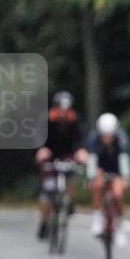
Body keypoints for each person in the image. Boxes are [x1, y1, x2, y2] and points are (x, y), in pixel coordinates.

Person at [35, 91, 89, 239]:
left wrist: (82, 151)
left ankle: (70, 202)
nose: (64, 112)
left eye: (67, 109)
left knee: (71, 178)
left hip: (68, 155)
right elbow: (39, 136)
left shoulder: (76, 120)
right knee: (47, 192)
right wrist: (42, 149)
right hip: (50, 154)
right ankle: (44, 222)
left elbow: (82, 137)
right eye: (61, 109)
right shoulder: (47, 119)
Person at [85, 112, 130, 247]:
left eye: (110, 135)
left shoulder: (121, 138)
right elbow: (92, 159)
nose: (107, 138)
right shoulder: (94, 139)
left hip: (116, 170)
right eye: (104, 135)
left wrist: (126, 177)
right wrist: (91, 176)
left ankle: (120, 227)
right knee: (97, 186)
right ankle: (97, 218)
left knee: (118, 195)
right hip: (101, 168)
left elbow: (124, 159)